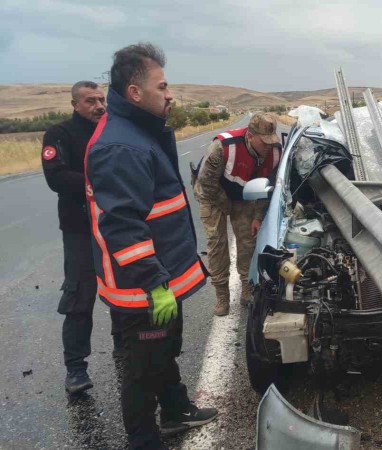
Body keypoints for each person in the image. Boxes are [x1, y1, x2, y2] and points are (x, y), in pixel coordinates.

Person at [85, 43, 217, 449]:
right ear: (135, 92)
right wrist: (155, 282)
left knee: (164, 352)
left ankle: (175, 410)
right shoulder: (121, 146)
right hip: (143, 285)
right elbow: (123, 227)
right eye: (162, 86)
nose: (170, 93)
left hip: (161, 274)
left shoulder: (141, 131)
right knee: (141, 369)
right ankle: (143, 440)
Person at [41, 81, 124, 395]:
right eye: (90, 101)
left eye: (101, 99)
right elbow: (57, 177)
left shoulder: (112, 130)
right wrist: (100, 184)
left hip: (114, 226)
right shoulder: (59, 135)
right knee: (79, 298)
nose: (99, 105)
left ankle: (123, 348)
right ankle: (76, 369)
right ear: (75, 104)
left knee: (121, 289)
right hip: (79, 229)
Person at [191, 112, 281, 316]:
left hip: (244, 195)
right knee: (217, 243)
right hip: (212, 194)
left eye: (271, 141)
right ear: (250, 136)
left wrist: (258, 217)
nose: (268, 147)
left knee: (249, 241)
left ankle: (247, 287)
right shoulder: (223, 147)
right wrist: (226, 206)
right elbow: (207, 182)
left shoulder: (275, 152)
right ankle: (222, 294)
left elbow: (266, 189)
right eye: (264, 142)